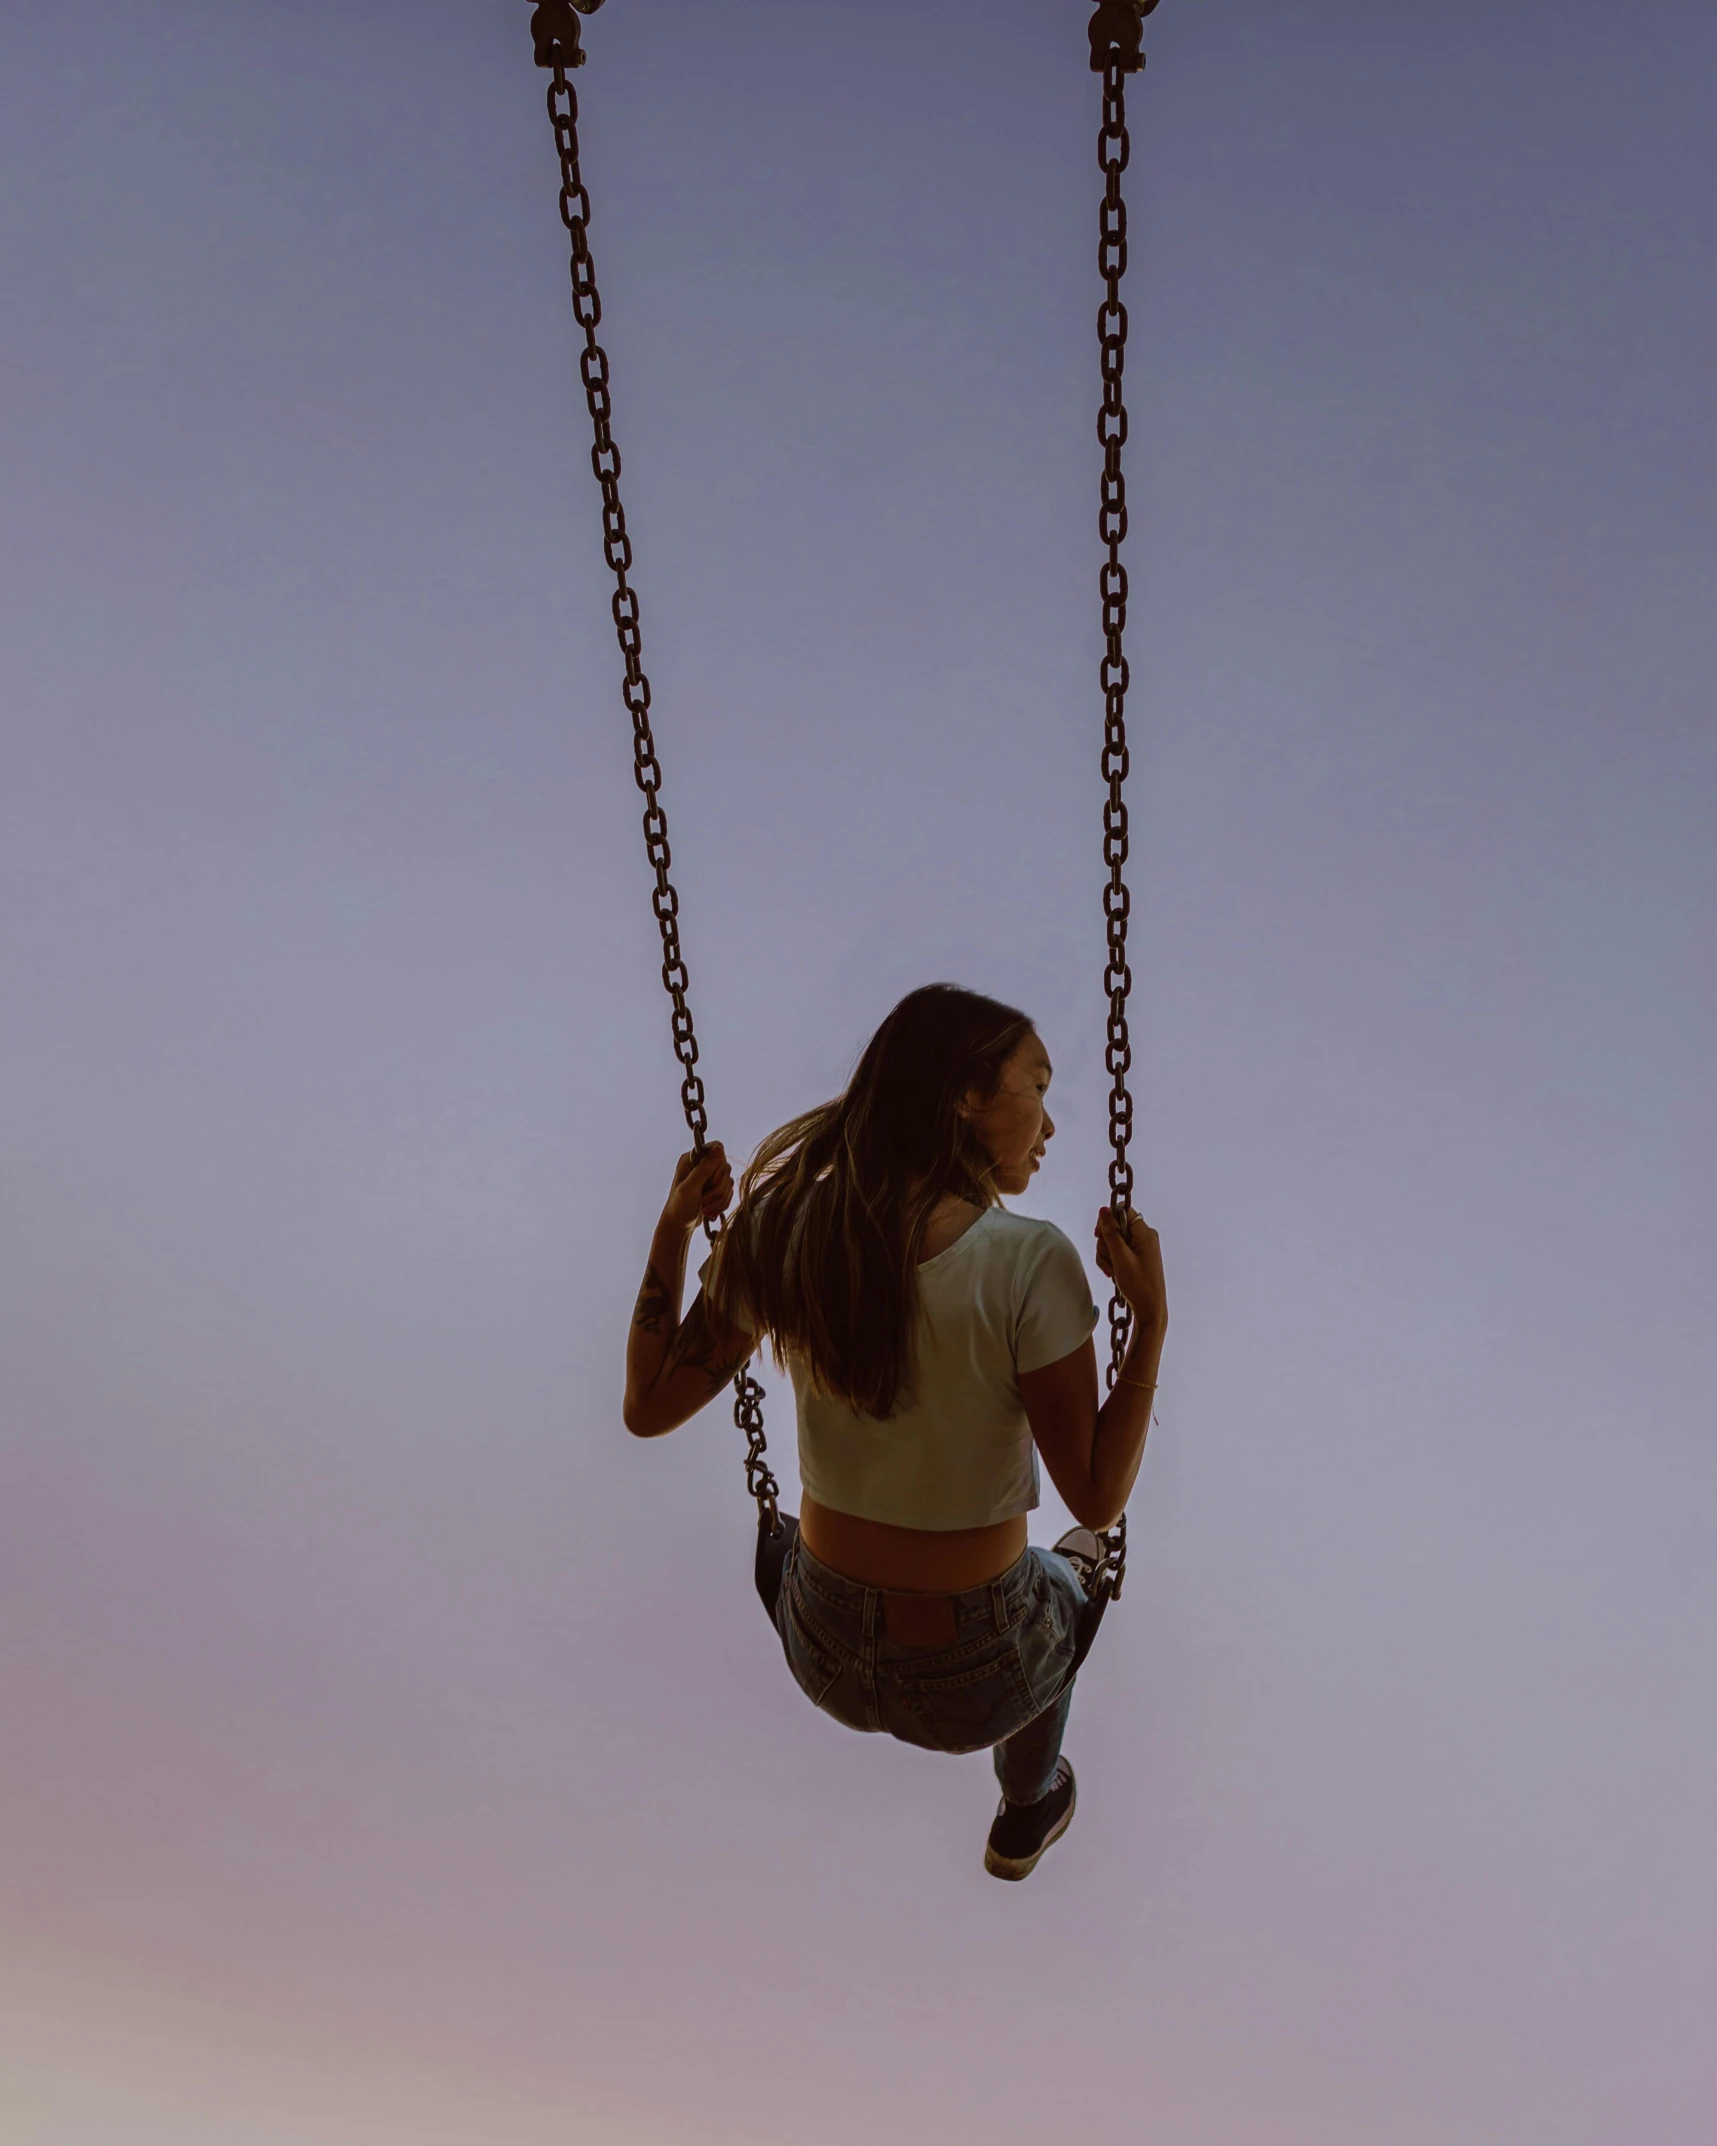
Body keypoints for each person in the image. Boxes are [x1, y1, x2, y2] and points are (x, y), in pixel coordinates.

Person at [622, 983, 1167, 1880]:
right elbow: (1098, 1494)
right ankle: (1028, 1802)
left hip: (824, 1652)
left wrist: (673, 1229)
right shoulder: (1029, 1260)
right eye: (1037, 1085)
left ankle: (844, 1578)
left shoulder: (783, 1226)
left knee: (788, 1545)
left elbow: (648, 1408)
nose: (1050, 1122)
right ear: (964, 1095)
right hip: (980, 1675)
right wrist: (1147, 1322)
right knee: (1071, 1577)